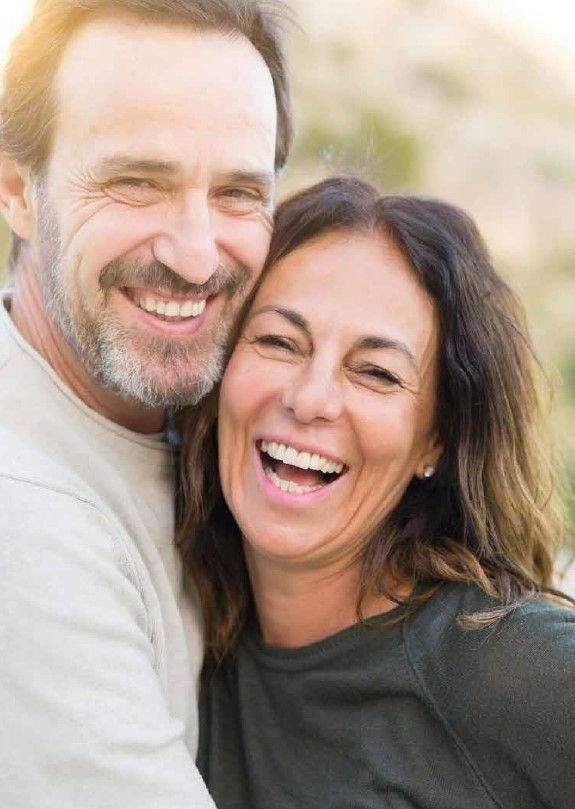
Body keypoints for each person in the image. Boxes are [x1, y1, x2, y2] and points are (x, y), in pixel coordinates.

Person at [179, 177, 575, 809]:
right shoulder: (180, 635)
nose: (310, 398)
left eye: (376, 372)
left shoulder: (509, 666)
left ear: (436, 440)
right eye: (279, 342)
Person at [0, 1, 291, 807]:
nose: (195, 256)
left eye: (238, 192)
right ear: (17, 189)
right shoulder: (21, 525)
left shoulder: (233, 423)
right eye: (136, 183)